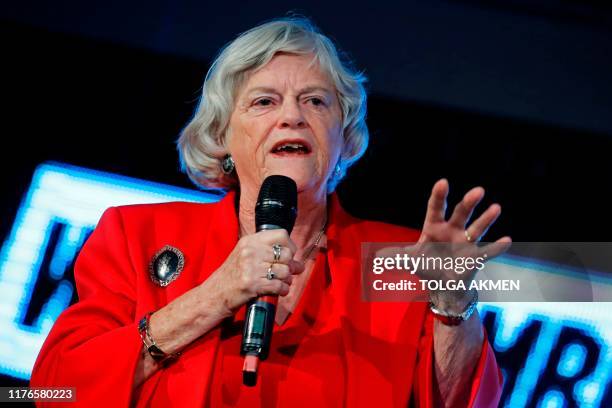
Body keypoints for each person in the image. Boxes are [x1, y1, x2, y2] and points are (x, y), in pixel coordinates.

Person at [30, 17, 510, 407]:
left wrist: (451, 308)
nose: (292, 116)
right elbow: (54, 390)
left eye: (315, 102)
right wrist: (216, 295)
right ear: (223, 138)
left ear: (344, 139)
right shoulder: (136, 234)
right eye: (264, 101)